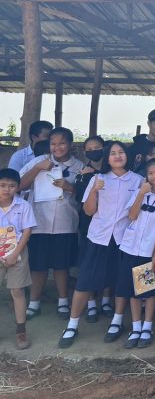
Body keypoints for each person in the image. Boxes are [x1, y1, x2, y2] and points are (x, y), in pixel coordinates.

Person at [59, 141, 144, 348]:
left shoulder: (138, 180)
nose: (117, 156)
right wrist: (94, 191)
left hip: (125, 239)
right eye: (113, 153)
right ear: (107, 158)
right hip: (99, 236)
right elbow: (88, 211)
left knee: (122, 282)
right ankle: (72, 325)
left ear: (127, 156)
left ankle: (117, 321)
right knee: (85, 281)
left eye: (121, 152)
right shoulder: (97, 178)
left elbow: (137, 213)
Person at [19, 127, 84, 320]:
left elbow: (84, 195)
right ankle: (34, 303)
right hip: (39, 222)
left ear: (70, 145)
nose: (58, 147)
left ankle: (63, 301)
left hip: (66, 222)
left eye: (62, 143)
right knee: (38, 265)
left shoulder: (79, 166)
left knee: (61, 265)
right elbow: (20, 185)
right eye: (53, 144)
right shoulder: (38, 161)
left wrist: (69, 186)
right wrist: (38, 168)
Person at [116, 159, 155, 349]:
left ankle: (147, 327)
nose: (154, 176)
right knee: (132, 290)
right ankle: (136, 327)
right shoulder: (140, 192)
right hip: (130, 246)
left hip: (151, 249)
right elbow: (132, 215)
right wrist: (142, 193)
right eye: (150, 173)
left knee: (149, 290)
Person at [73, 135, 109, 322]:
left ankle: (106, 300)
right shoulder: (83, 173)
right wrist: (87, 177)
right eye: (90, 148)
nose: (94, 151)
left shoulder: (112, 171)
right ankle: (91, 302)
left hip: (110, 225)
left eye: (97, 147)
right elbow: (79, 197)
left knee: (108, 263)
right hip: (89, 224)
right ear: (84, 151)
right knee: (89, 264)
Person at [0, 168, 36, 349]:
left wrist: (15, 254)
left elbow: (27, 231)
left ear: (18, 187)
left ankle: (21, 331)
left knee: (18, 291)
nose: (7, 189)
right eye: (2, 185)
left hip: (18, 252)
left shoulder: (23, 206)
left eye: (11, 186)